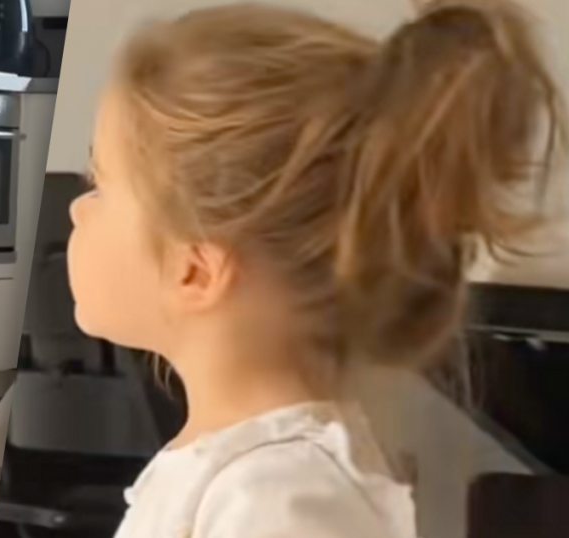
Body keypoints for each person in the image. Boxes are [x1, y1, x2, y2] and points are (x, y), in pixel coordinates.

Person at [66, 0, 565, 537]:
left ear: (197, 270)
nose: (76, 209)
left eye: (100, 183)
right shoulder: (241, 474)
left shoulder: (276, 499)